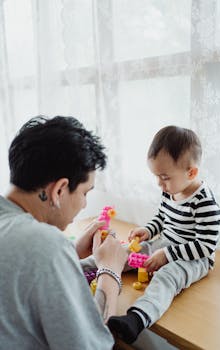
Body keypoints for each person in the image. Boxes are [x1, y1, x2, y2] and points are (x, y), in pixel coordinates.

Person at [0, 115, 127, 350]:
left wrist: (69, 252)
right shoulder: (46, 246)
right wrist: (110, 271)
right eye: (85, 193)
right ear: (59, 190)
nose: (84, 205)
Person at [108, 125, 220, 344]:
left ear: (191, 172)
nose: (159, 184)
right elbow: (162, 218)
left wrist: (168, 255)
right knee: (125, 252)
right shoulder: (170, 191)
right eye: (157, 177)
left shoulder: (205, 204)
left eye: (164, 177)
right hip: (166, 243)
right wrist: (149, 230)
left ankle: (137, 318)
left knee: (166, 277)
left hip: (194, 258)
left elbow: (205, 247)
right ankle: (81, 266)